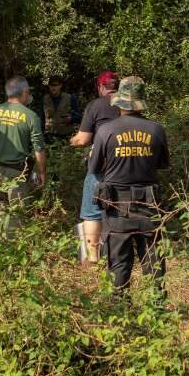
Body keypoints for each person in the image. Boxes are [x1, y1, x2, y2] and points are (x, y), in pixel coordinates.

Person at [89, 76, 169, 291]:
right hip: (149, 206)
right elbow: (162, 164)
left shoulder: (105, 131)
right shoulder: (157, 130)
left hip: (116, 208)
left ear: (120, 101)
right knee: (153, 259)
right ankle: (157, 305)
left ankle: (120, 308)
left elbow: (94, 168)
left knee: (119, 262)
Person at [0, 76, 47, 232]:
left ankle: (1, 248)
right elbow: (39, 148)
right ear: (25, 92)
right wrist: (42, 172)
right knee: (17, 215)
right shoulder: (31, 116)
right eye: (28, 93)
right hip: (17, 174)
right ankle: (12, 249)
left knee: (0, 211)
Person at [70, 71, 120, 261]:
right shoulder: (129, 105)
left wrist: (72, 141)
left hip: (100, 167)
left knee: (92, 213)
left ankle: (93, 259)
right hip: (125, 167)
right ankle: (118, 254)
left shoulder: (96, 105)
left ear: (100, 87)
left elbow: (83, 139)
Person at [40, 75, 82, 140]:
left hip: (66, 136)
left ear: (60, 85)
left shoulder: (70, 98)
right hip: (49, 136)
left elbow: (79, 117)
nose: (53, 88)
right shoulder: (45, 99)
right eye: (51, 85)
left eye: (55, 85)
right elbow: (41, 119)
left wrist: (71, 119)